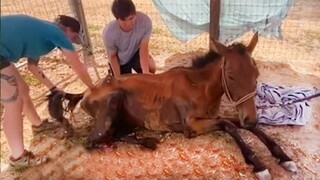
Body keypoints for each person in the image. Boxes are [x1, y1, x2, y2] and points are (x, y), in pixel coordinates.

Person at [0, 14, 95, 169]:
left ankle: (38, 125)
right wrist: (93, 88)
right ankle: (18, 157)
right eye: (73, 37)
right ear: (68, 29)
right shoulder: (56, 33)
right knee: (13, 101)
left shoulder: (42, 33)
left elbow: (32, 67)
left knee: (23, 89)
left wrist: (53, 88)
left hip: (2, 54)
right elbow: (79, 67)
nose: (71, 42)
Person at [102, 0, 156, 77]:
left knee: (150, 68)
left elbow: (144, 49)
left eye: (131, 18)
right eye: (124, 20)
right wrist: (118, 79)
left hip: (135, 53)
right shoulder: (109, 34)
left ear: (135, 14)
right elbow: (113, 57)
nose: (128, 24)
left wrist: (145, 73)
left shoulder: (145, 22)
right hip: (120, 60)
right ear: (117, 19)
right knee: (122, 85)